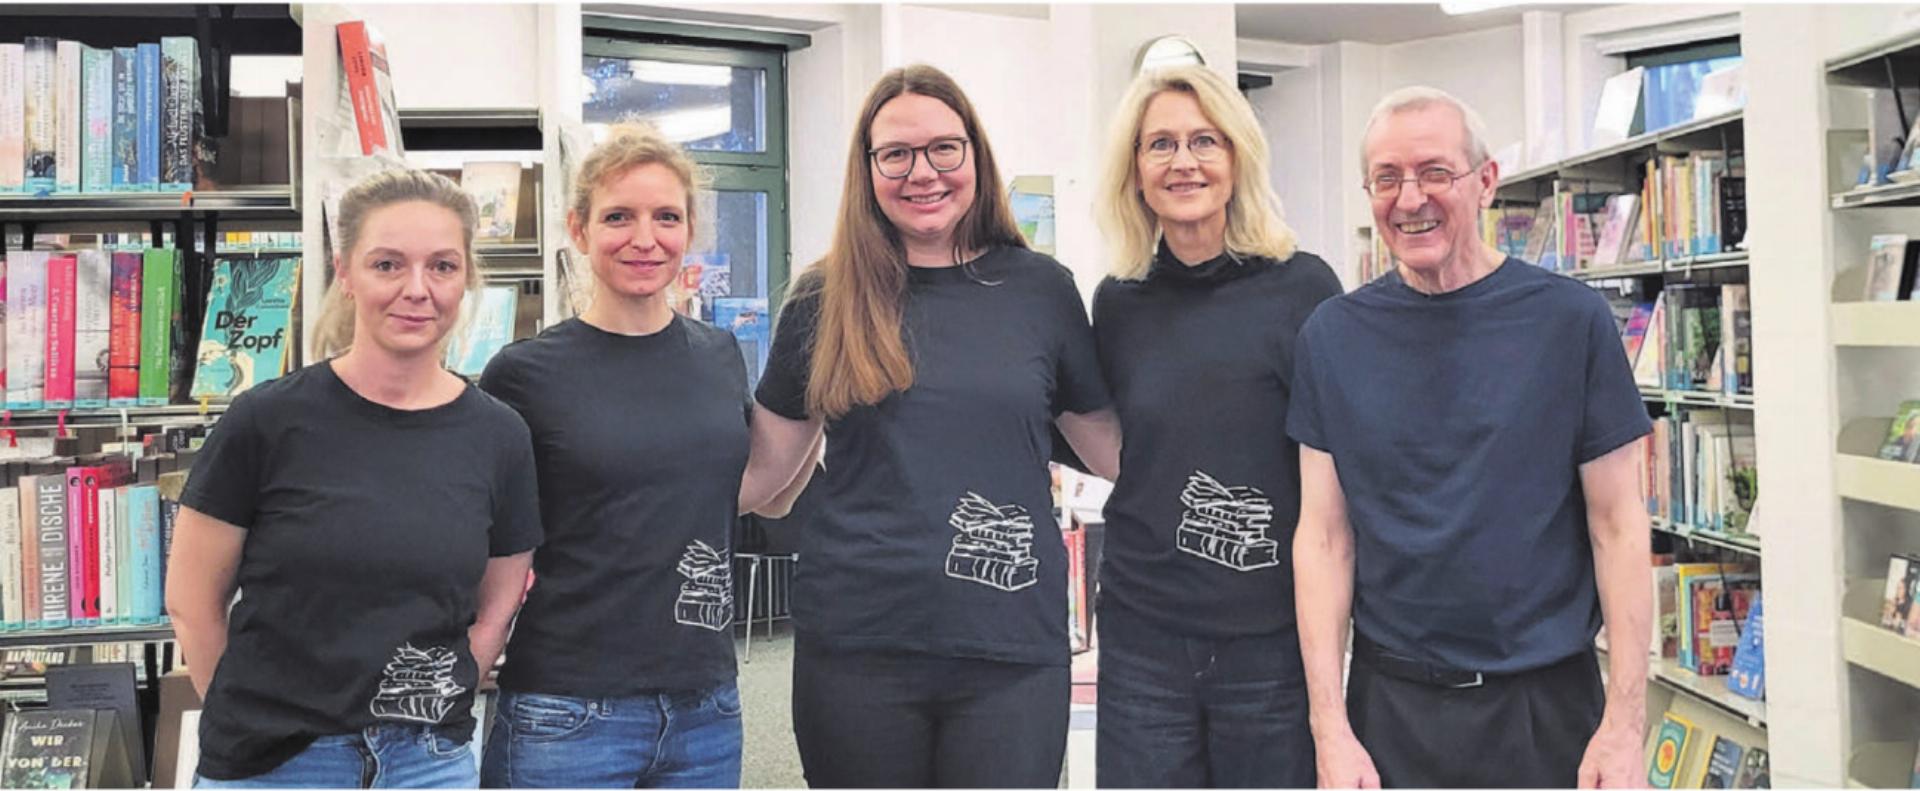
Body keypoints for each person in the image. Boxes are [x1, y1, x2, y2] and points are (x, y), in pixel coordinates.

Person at [742, 63, 1121, 788]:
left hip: (1009, 646)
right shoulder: (825, 297)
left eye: (945, 148)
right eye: (897, 154)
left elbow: (1115, 451)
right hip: (859, 647)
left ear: (975, 154)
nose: (924, 172)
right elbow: (762, 478)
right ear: (868, 168)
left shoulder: (1040, 289)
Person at [1289, 86, 1653, 789]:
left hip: (1547, 709)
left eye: (1434, 172)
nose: (1409, 198)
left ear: (1485, 182)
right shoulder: (1331, 337)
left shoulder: (1570, 323)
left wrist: (1625, 726)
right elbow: (1325, 539)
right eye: (1386, 178)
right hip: (1391, 710)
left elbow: (1618, 525)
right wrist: (1329, 729)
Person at [165, 169, 542, 788]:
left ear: (466, 277)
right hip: (277, 766)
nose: (417, 290)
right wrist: (247, 720)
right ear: (345, 272)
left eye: (442, 267)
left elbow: (498, 601)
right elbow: (192, 601)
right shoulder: (266, 420)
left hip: (427, 763)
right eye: (388, 264)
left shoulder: (500, 436)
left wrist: (444, 690)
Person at [475, 123, 809, 789]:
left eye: (666, 216)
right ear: (578, 228)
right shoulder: (523, 373)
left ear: (691, 230)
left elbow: (743, 489)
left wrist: (822, 387)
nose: (644, 238)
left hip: (706, 707)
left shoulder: (717, 354)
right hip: (565, 710)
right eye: (618, 217)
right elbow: (485, 532)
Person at [1088, 64, 1343, 789]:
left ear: (1238, 159)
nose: (1184, 161)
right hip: (1144, 632)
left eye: (1206, 140)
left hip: (1269, 635)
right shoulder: (1118, 300)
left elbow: (1335, 473)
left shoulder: (1306, 287)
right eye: (1160, 144)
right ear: (1135, 171)